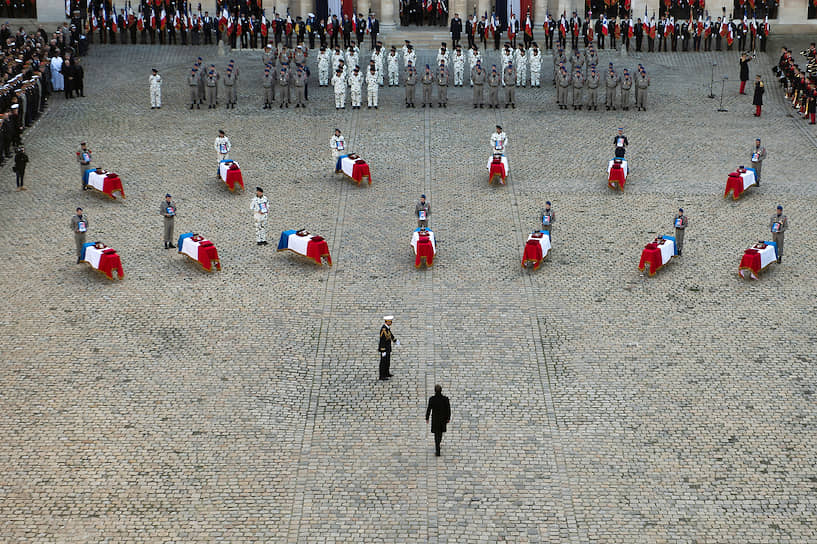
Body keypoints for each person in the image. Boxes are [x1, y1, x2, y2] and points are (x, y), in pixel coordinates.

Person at [425, 384, 451, 456]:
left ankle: (437, 447)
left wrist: (427, 418)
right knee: (440, 433)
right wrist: (448, 418)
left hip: (435, 419)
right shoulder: (445, 399)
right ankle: (438, 445)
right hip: (443, 419)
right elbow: (448, 409)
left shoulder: (432, 399)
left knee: (436, 434)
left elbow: (429, 409)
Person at [378, 315, 398, 380]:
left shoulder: (387, 328)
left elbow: (390, 334)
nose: (391, 323)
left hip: (388, 348)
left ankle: (387, 373)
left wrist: (394, 340)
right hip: (384, 349)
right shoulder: (383, 330)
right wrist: (382, 350)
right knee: (383, 362)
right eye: (390, 322)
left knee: (387, 361)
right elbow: (382, 340)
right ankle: (382, 376)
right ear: (387, 322)